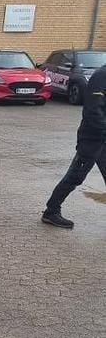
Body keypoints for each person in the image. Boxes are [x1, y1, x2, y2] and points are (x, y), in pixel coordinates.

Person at [42, 63, 106, 228]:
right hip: (92, 138)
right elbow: (93, 110)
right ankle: (51, 211)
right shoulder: (101, 76)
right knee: (75, 176)